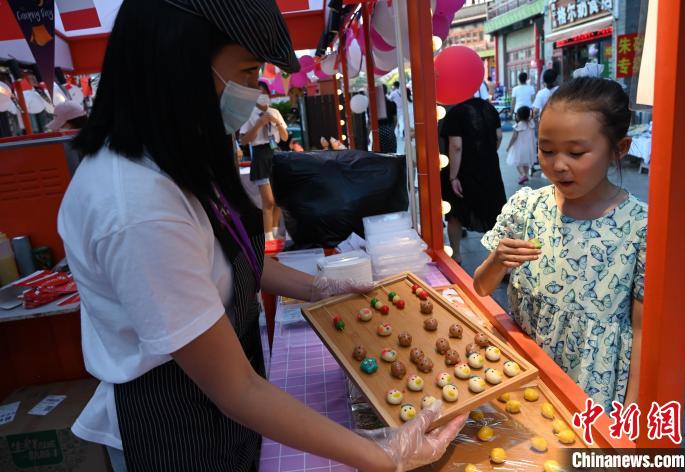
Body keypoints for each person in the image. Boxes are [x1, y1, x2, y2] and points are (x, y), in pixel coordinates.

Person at [58, 1, 465, 470]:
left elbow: (228, 261)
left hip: (220, 401)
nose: (255, 91)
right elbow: (237, 389)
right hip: (174, 424)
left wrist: (320, 288)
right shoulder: (136, 207)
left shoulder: (177, 159)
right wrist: (382, 454)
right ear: (179, 64)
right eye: (248, 73)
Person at [473, 77, 647, 413]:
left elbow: (642, 332)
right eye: (547, 150)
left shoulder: (640, 226)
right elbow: (481, 286)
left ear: (619, 149)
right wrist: (497, 260)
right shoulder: (527, 207)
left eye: (576, 152)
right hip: (523, 368)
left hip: (592, 388)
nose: (558, 164)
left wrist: (631, 418)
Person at [441, 97, 506, 264]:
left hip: (463, 170)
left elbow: (456, 146)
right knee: (494, 212)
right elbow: (498, 136)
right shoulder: (488, 108)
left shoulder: (455, 112)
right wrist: (487, 152)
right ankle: (498, 260)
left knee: (455, 213)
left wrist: (453, 176)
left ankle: (456, 255)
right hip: (489, 168)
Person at [240, 80, 287, 241]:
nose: (262, 96)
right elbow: (245, 140)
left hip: (276, 153)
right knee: (268, 201)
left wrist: (277, 123)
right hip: (260, 155)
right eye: (258, 94)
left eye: (264, 93)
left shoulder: (275, 111)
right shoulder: (249, 114)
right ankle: (267, 238)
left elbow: (284, 137)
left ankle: (275, 235)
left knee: (279, 199)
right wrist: (260, 123)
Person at [506, 106, 537, 185]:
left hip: (519, 147)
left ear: (518, 116)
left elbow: (514, 137)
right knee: (526, 162)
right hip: (529, 147)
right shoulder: (531, 124)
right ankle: (525, 175)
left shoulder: (518, 125)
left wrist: (509, 146)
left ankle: (523, 175)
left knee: (517, 162)